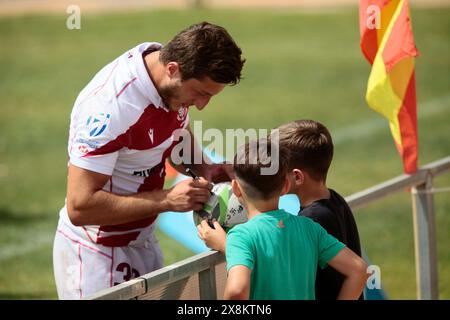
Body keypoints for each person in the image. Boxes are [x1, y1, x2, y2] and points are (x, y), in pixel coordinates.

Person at [53, 21, 245, 299]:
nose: (202, 105)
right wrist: (167, 200)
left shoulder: (168, 79)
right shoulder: (109, 108)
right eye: (201, 93)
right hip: (95, 253)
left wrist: (208, 168)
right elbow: (80, 207)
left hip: (142, 240)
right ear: (173, 69)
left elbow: (174, 132)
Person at [197, 139, 368, 300]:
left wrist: (228, 246)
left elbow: (237, 290)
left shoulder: (240, 237)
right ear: (286, 186)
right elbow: (359, 270)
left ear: (235, 188)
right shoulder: (310, 228)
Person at [277, 119, 364, 300]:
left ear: (297, 177)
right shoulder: (335, 199)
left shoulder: (309, 221)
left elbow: (273, 266)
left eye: (275, 170)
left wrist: (225, 245)